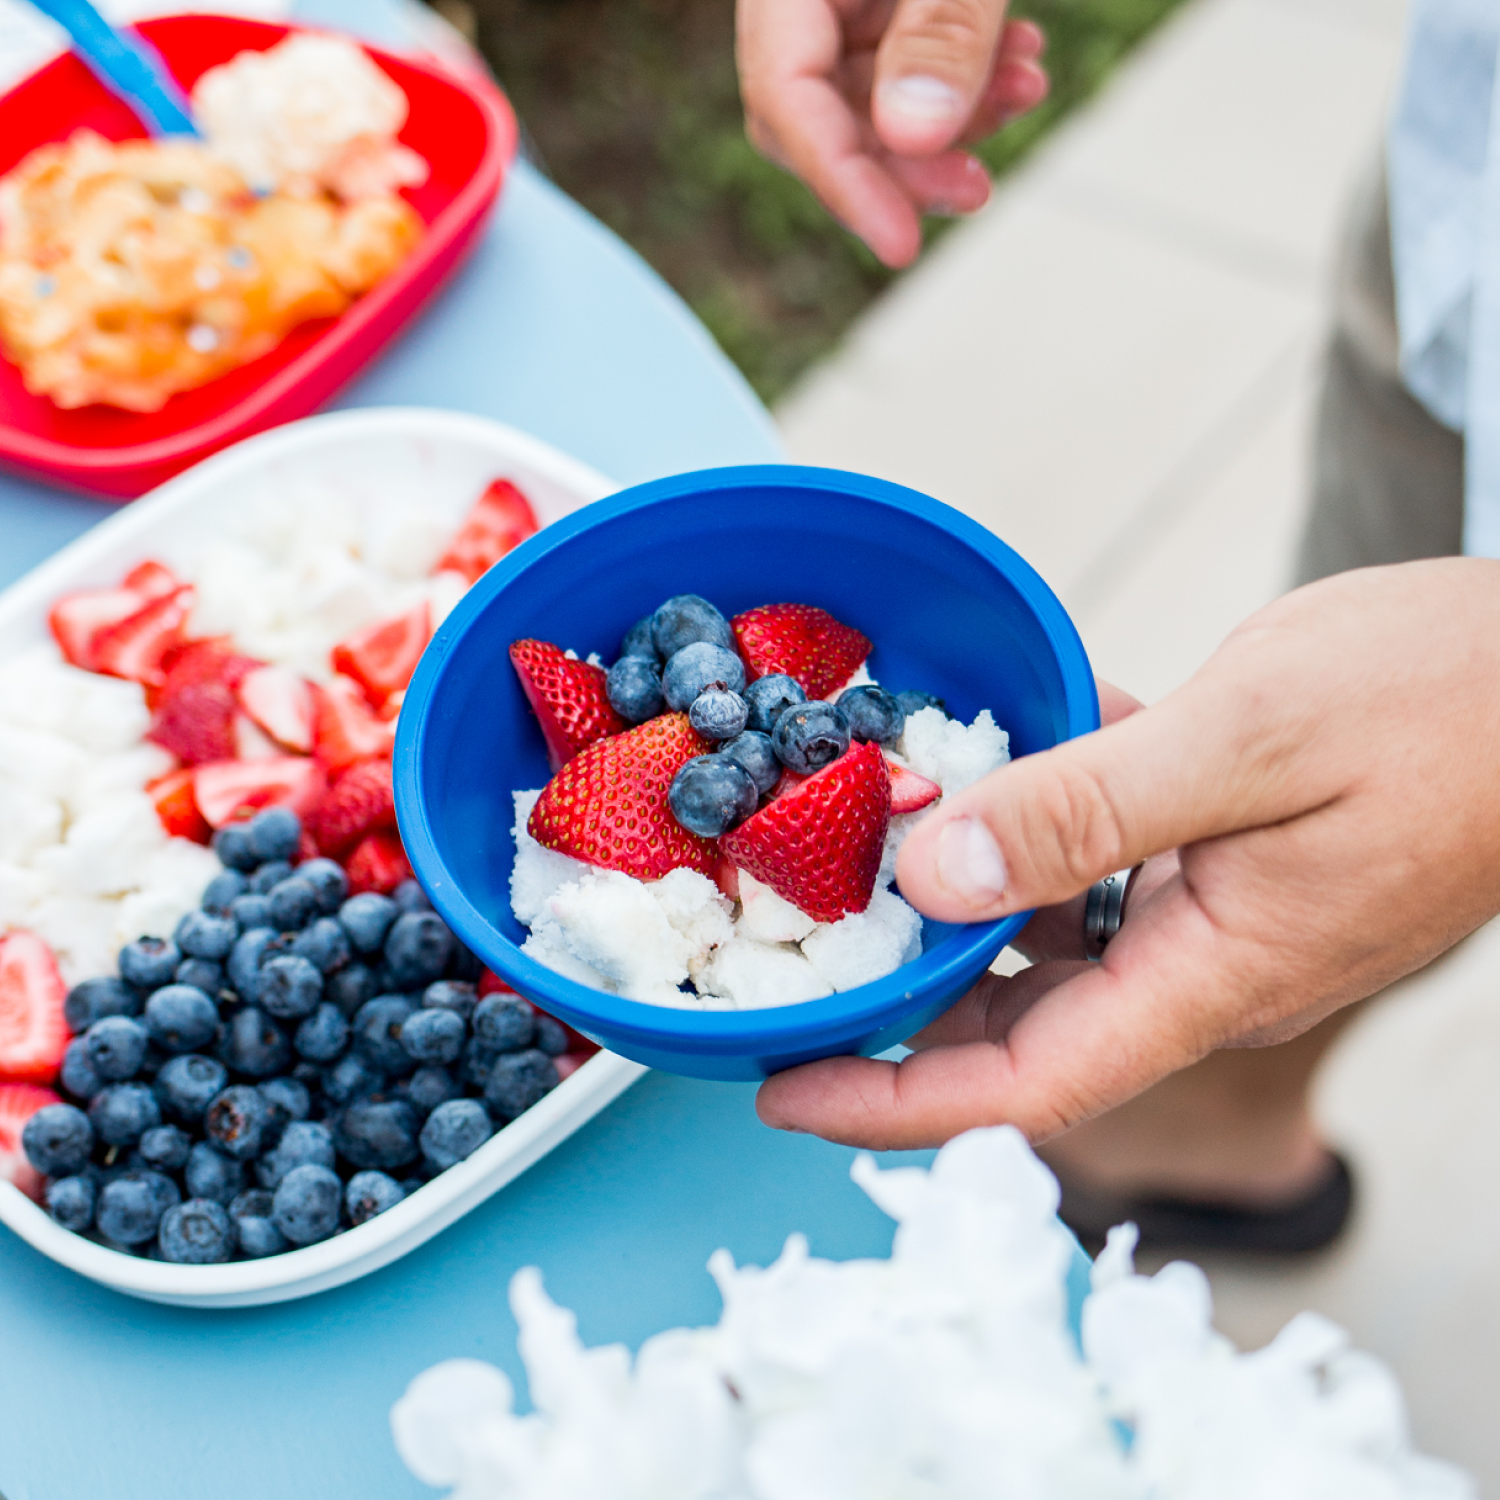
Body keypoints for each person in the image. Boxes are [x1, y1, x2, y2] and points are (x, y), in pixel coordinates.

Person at [736, 0, 1500, 1253]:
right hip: (1470, 177)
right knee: (1351, 684)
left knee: (1421, 814)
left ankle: (1201, 1119)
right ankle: (1218, 1127)